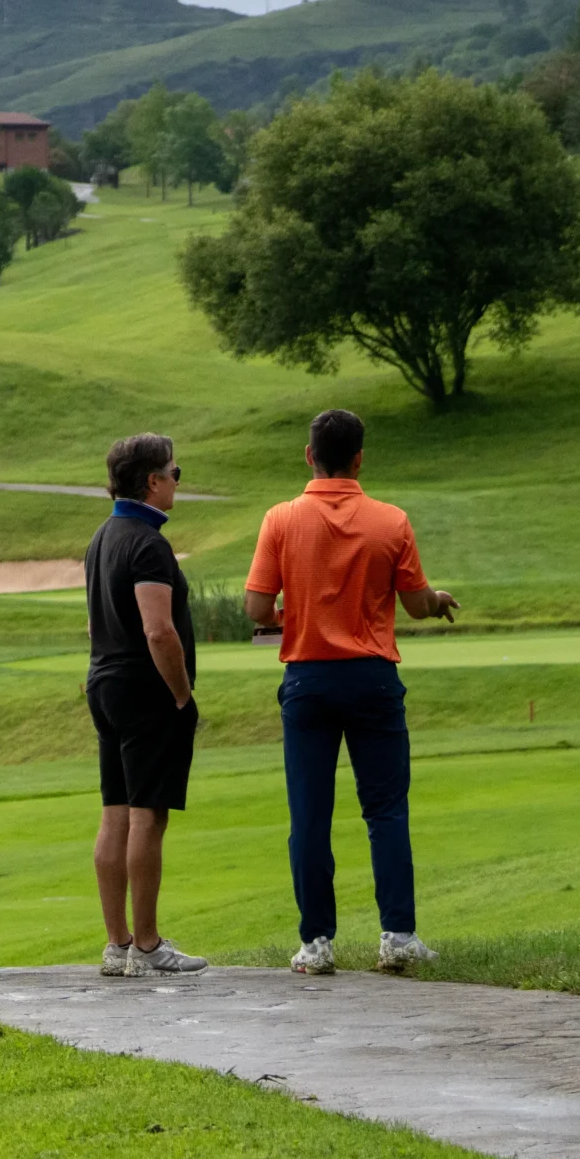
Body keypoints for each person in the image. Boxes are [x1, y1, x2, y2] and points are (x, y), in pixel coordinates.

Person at [245, 409, 458, 976]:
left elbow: (257, 610)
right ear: (360, 458)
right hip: (371, 677)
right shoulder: (391, 521)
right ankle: (398, 936)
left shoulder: (281, 519)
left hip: (308, 680)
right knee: (385, 810)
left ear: (308, 455)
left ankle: (316, 943)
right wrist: (438, 600)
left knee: (309, 816)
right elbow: (415, 604)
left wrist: (300, 613)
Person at [84, 432, 208, 979]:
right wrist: (182, 696)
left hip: (105, 682)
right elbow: (159, 631)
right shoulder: (148, 544)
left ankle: (118, 944)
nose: (178, 482)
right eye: (175, 474)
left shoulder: (103, 536)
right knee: (146, 815)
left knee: (114, 813)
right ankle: (149, 945)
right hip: (145, 689)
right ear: (152, 481)